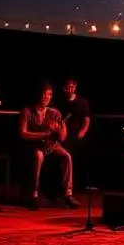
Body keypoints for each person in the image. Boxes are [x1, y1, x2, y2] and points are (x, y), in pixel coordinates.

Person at [19, 82, 80, 210]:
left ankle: (68, 194)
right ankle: (34, 194)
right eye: (43, 95)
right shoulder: (27, 111)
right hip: (34, 145)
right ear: (38, 95)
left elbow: (62, 138)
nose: (46, 98)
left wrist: (60, 128)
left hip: (52, 145)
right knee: (38, 155)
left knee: (67, 156)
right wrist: (43, 135)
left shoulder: (55, 113)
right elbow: (23, 133)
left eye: (49, 95)